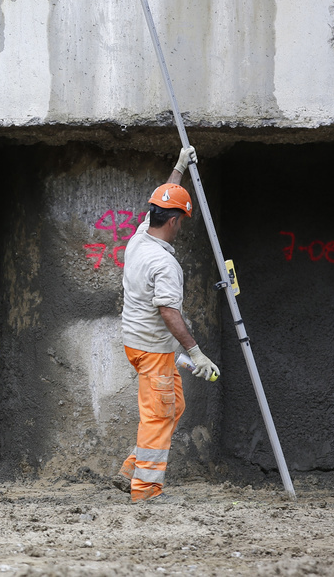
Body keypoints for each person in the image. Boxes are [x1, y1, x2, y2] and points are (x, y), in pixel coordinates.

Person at [115, 146, 220, 503]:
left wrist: (179, 169)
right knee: (159, 417)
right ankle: (144, 490)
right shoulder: (164, 265)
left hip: (137, 342)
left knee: (174, 407)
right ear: (174, 221)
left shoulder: (140, 237)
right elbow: (169, 312)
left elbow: (163, 199)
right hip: (154, 349)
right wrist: (195, 352)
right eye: (181, 220)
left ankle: (131, 468)